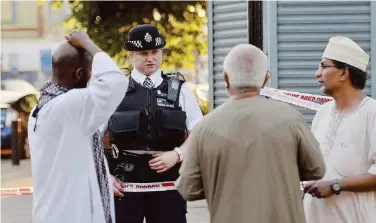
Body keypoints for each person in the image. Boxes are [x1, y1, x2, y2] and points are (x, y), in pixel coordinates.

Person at [176, 43, 326, 223]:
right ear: (264, 79)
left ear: (225, 78)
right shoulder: (291, 119)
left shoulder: (206, 127)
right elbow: (317, 169)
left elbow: (188, 188)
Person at [102, 24, 203, 223]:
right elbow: (92, 138)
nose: (151, 58)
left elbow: (201, 132)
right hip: (124, 186)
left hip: (168, 187)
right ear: (130, 56)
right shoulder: (116, 90)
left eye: (155, 52)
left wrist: (177, 154)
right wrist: (105, 175)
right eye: (143, 53)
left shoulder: (178, 90)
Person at [27, 30, 128, 223]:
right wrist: (87, 42)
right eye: (90, 73)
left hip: (52, 213)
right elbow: (115, 82)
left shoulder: (41, 106)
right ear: (80, 73)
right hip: (72, 215)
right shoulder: (71, 105)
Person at [303, 36, 376, 223]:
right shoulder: (323, 112)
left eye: (324, 66)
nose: (317, 73)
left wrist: (337, 185)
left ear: (344, 73)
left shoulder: (371, 113)